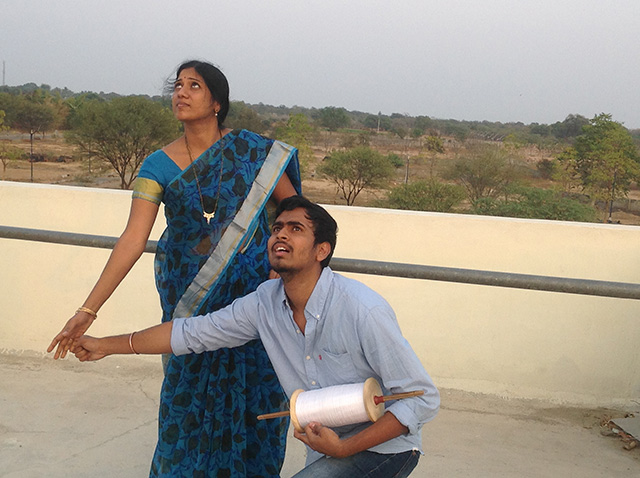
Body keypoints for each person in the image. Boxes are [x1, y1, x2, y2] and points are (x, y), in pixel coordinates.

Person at [47, 60, 301, 477]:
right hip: (189, 297)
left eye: (194, 86)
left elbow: (292, 211)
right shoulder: (158, 165)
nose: (180, 93)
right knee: (186, 397)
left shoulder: (252, 153)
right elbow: (133, 239)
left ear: (216, 102)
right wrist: (87, 310)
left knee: (253, 399)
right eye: (177, 85)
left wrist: (282, 268)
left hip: (255, 298)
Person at [72, 196, 440, 478]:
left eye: (296, 229)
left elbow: (422, 399)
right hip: (328, 450)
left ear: (321, 250)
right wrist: (106, 345)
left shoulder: (362, 309)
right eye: (278, 227)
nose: (280, 233)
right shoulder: (264, 303)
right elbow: (192, 333)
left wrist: (345, 448)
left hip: (388, 449)